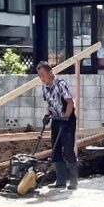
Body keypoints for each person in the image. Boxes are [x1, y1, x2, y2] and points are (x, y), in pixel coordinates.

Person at [36, 62, 78, 190]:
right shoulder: (44, 87)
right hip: (56, 119)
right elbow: (50, 104)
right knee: (56, 150)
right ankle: (60, 180)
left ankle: (73, 181)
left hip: (67, 119)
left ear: (50, 72)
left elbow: (70, 102)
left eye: (43, 75)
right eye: (40, 76)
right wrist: (47, 115)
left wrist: (66, 117)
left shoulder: (60, 84)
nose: (42, 78)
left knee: (68, 149)